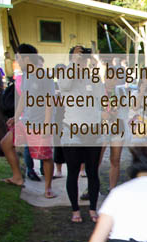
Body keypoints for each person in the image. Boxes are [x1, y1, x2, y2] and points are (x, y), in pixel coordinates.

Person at [1, 43, 57, 198]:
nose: (17, 61)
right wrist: (15, 117)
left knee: (45, 157)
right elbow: (24, 98)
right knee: (5, 143)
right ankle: (17, 177)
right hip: (25, 121)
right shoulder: (25, 75)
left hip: (40, 123)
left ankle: (48, 188)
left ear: (26, 58)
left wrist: (46, 125)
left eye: (18, 57)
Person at [59, 46, 105, 223]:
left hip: (93, 131)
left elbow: (100, 97)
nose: (81, 60)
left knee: (93, 172)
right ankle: (75, 210)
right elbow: (64, 85)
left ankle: (93, 208)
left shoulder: (91, 76)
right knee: (73, 172)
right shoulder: (66, 74)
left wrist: (93, 67)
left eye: (83, 57)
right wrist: (74, 64)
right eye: (78, 57)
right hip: (72, 130)